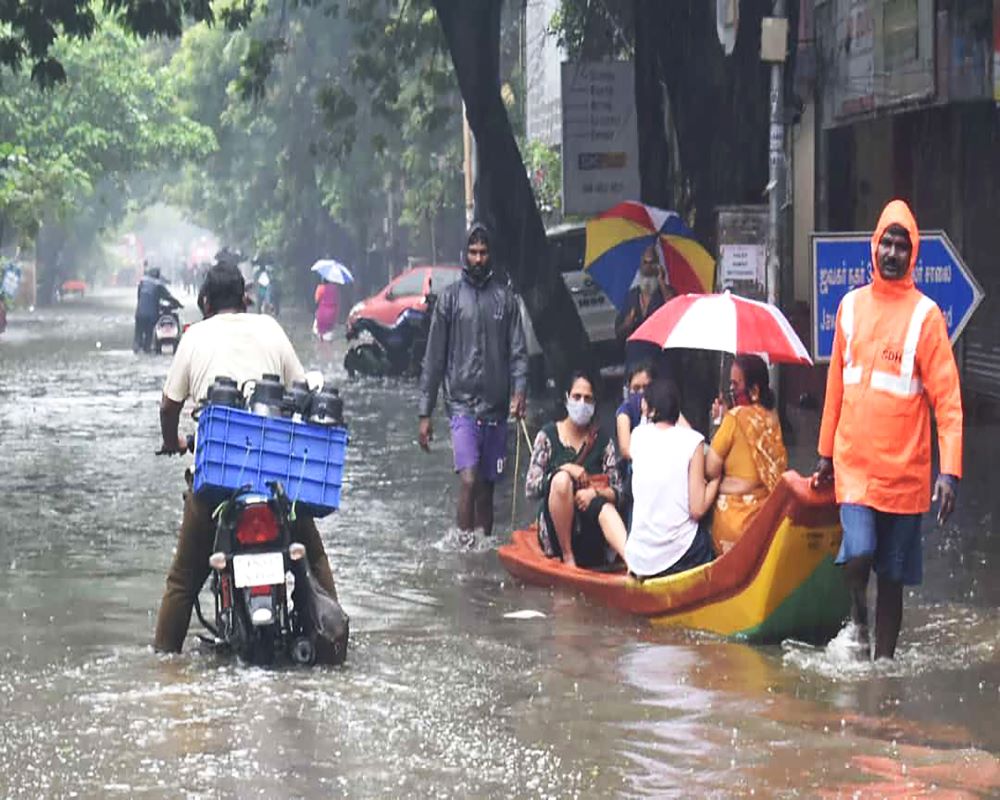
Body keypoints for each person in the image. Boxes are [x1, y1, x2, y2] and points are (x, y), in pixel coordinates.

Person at [153, 261, 339, 653]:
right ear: (245, 298)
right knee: (316, 562)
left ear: (204, 301)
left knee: (183, 582)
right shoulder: (269, 328)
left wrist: (172, 440)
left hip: (218, 483)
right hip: (277, 480)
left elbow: (169, 408)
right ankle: (333, 643)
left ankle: (163, 667)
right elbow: (301, 389)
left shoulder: (194, 336)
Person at [812, 199, 963, 661]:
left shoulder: (927, 317)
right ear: (873, 248)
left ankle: (883, 668)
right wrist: (824, 454)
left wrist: (949, 472)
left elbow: (948, 401)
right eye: (886, 243)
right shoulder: (850, 308)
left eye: (901, 245)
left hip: (905, 475)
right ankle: (857, 619)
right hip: (855, 467)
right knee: (858, 554)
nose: (892, 252)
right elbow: (836, 384)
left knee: (893, 579)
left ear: (912, 253)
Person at [418, 222, 528, 539]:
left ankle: (483, 553)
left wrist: (519, 391)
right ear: (464, 255)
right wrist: (425, 413)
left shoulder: (506, 300)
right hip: (461, 405)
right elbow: (434, 359)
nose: (478, 259)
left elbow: (518, 352)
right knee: (468, 478)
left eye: (483, 252)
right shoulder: (449, 300)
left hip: (495, 407)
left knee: (486, 487)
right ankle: (464, 548)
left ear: (490, 255)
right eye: (473, 252)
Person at [597, 379, 718, 578]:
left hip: (641, 559)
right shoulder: (693, 441)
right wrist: (715, 481)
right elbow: (697, 510)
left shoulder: (638, 435)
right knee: (708, 536)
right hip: (680, 556)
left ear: (650, 407)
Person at [525, 371, 622, 568]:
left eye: (588, 399)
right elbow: (531, 488)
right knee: (562, 481)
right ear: (567, 398)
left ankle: (632, 562)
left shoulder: (603, 442)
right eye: (577, 397)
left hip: (593, 525)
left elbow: (619, 491)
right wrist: (564, 469)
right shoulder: (548, 436)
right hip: (557, 532)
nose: (582, 403)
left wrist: (593, 493)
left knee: (606, 507)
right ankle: (568, 556)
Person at [705, 354, 788, 555]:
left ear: (754, 390)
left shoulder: (734, 418)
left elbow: (710, 469)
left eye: (735, 384)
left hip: (735, 523)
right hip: (767, 521)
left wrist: (718, 422)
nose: (732, 389)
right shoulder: (772, 417)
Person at [614, 244, 676, 380]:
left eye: (652, 262)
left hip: (659, 367)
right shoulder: (632, 296)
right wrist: (627, 324)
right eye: (645, 263)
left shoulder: (665, 293)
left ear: (657, 265)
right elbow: (618, 333)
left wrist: (661, 281)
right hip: (634, 366)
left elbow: (674, 310)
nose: (648, 267)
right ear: (640, 266)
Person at [134, 265, 181, 354]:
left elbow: (139, 297)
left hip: (139, 314)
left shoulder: (142, 282)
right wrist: (178, 304)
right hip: (151, 315)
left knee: (138, 335)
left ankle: (136, 351)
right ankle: (146, 351)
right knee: (148, 335)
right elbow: (168, 297)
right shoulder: (158, 284)